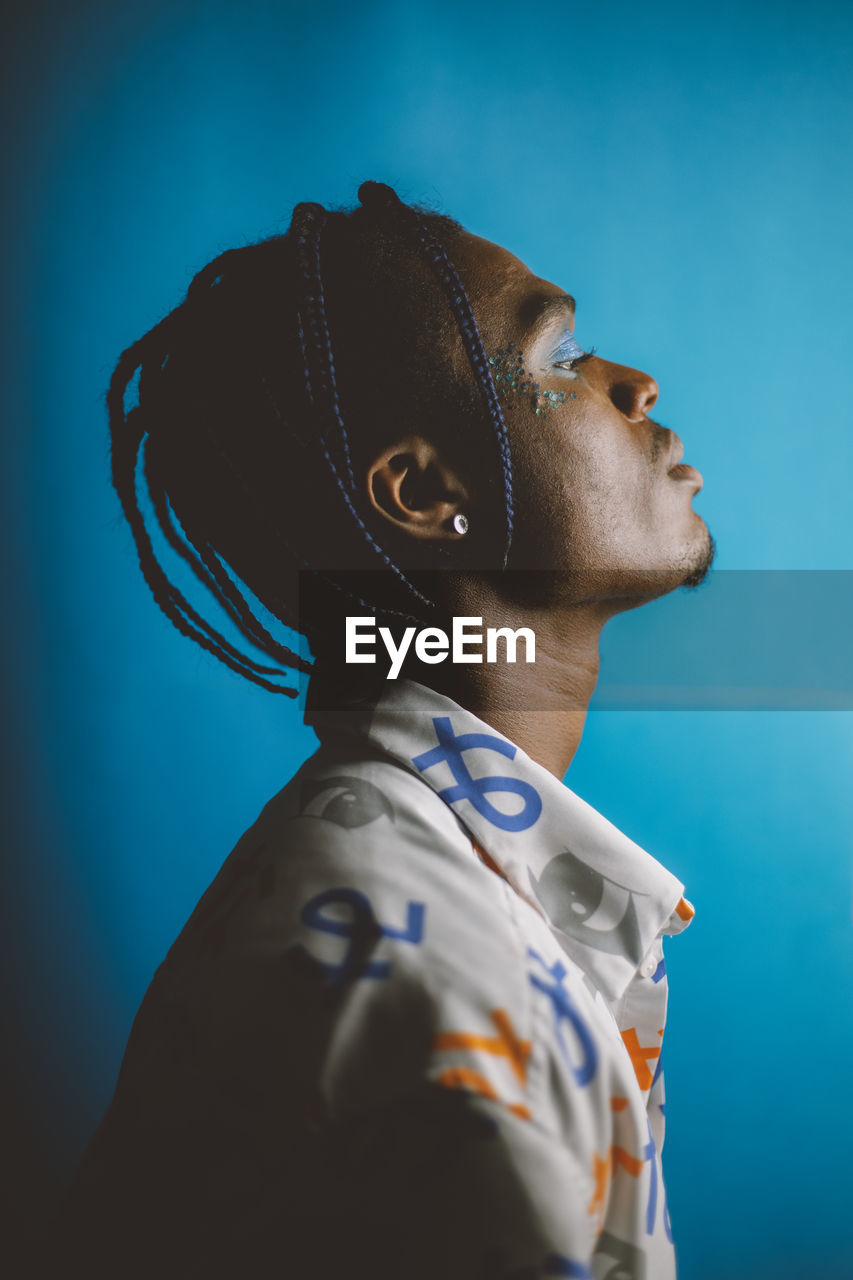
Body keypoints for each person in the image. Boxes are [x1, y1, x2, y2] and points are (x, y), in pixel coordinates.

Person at [60, 181, 713, 1279]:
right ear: (422, 491)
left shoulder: (432, 879)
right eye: (559, 361)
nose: (632, 383)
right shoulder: (407, 983)